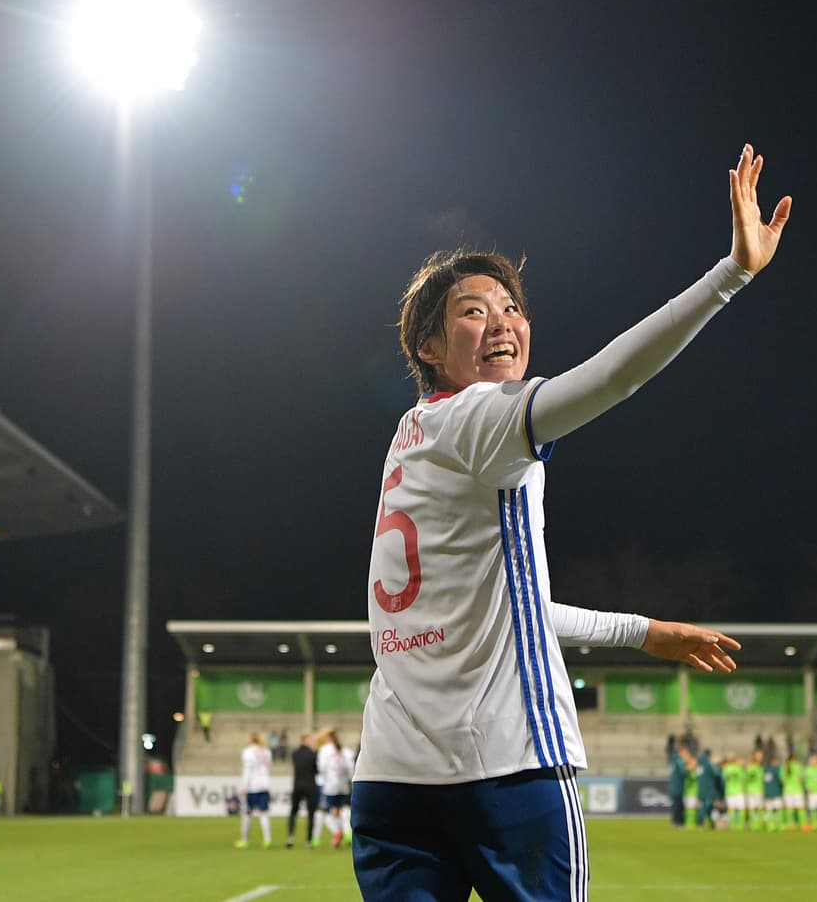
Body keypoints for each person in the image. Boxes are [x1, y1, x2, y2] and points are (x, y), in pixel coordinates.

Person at [351, 144, 790, 899]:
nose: (502, 322)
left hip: (390, 781)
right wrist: (732, 276)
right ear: (428, 347)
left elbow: (508, 609)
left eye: (512, 308)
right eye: (472, 312)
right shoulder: (481, 417)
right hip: (503, 768)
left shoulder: (410, 435)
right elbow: (613, 377)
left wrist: (642, 631)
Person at [317, 729, 355, 849]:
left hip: (329, 786)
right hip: (343, 785)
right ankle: (348, 832)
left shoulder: (324, 750)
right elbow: (351, 769)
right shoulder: (346, 751)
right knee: (344, 809)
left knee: (325, 811)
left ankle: (337, 832)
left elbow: (321, 768)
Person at [235, 732, 273, 850]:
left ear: (251, 739)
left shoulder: (248, 752)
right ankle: (267, 840)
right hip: (265, 784)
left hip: (252, 786)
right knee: (264, 813)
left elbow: (248, 770)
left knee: (247, 814)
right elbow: (269, 768)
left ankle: (244, 840)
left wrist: (244, 786)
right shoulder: (267, 751)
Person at [287, 731, 320, 848]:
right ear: (306, 740)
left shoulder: (295, 753)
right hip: (310, 785)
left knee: (293, 811)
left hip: (297, 785)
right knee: (311, 814)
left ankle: (290, 837)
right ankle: (308, 840)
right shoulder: (313, 754)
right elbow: (316, 770)